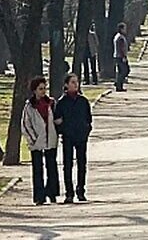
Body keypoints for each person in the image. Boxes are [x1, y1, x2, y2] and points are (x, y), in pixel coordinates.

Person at [54, 73, 93, 203]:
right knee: (68, 164)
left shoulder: (83, 101)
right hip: (68, 136)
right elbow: (57, 120)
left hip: (81, 137)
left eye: (77, 82)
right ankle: (69, 193)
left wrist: (86, 129)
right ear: (66, 85)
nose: (75, 84)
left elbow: (88, 118)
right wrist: (63, 130)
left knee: (82, 164)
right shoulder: (62, 102)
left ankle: (81, 190)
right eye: (72, 82)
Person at [22, 76, 60, 205]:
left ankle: (52, 192)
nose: (43, 91)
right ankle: (39, 196)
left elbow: (56, 119)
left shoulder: (51, 103)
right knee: (37, 169)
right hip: (36, 142)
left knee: (52, 167)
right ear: (34, 90)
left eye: (44, 88)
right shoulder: (29, 107)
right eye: (40, 89)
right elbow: (26, 124)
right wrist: (33, 139)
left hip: (51, 139)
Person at [113, 23, 131, 92]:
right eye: (124, 28)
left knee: (121, 71)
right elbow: (121, 48)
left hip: (117, 56)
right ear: (121, 29)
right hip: (120, 56)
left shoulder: (118, 36)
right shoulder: (120, 37)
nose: (125, 30)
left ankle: (119, 84)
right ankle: (118, 84)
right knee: (124, 71)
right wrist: (124, 56)